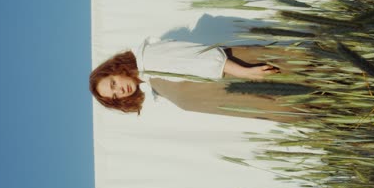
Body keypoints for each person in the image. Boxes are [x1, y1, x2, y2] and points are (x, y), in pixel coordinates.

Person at [89, 38, 288, 116]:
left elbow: (197, 56)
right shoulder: (152, 83)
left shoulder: (148, 58)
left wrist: (245, 72)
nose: (119, 91)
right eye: (114, 96)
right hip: (247, 91)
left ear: (116, 69)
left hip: (244, 72)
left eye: (113, 83)